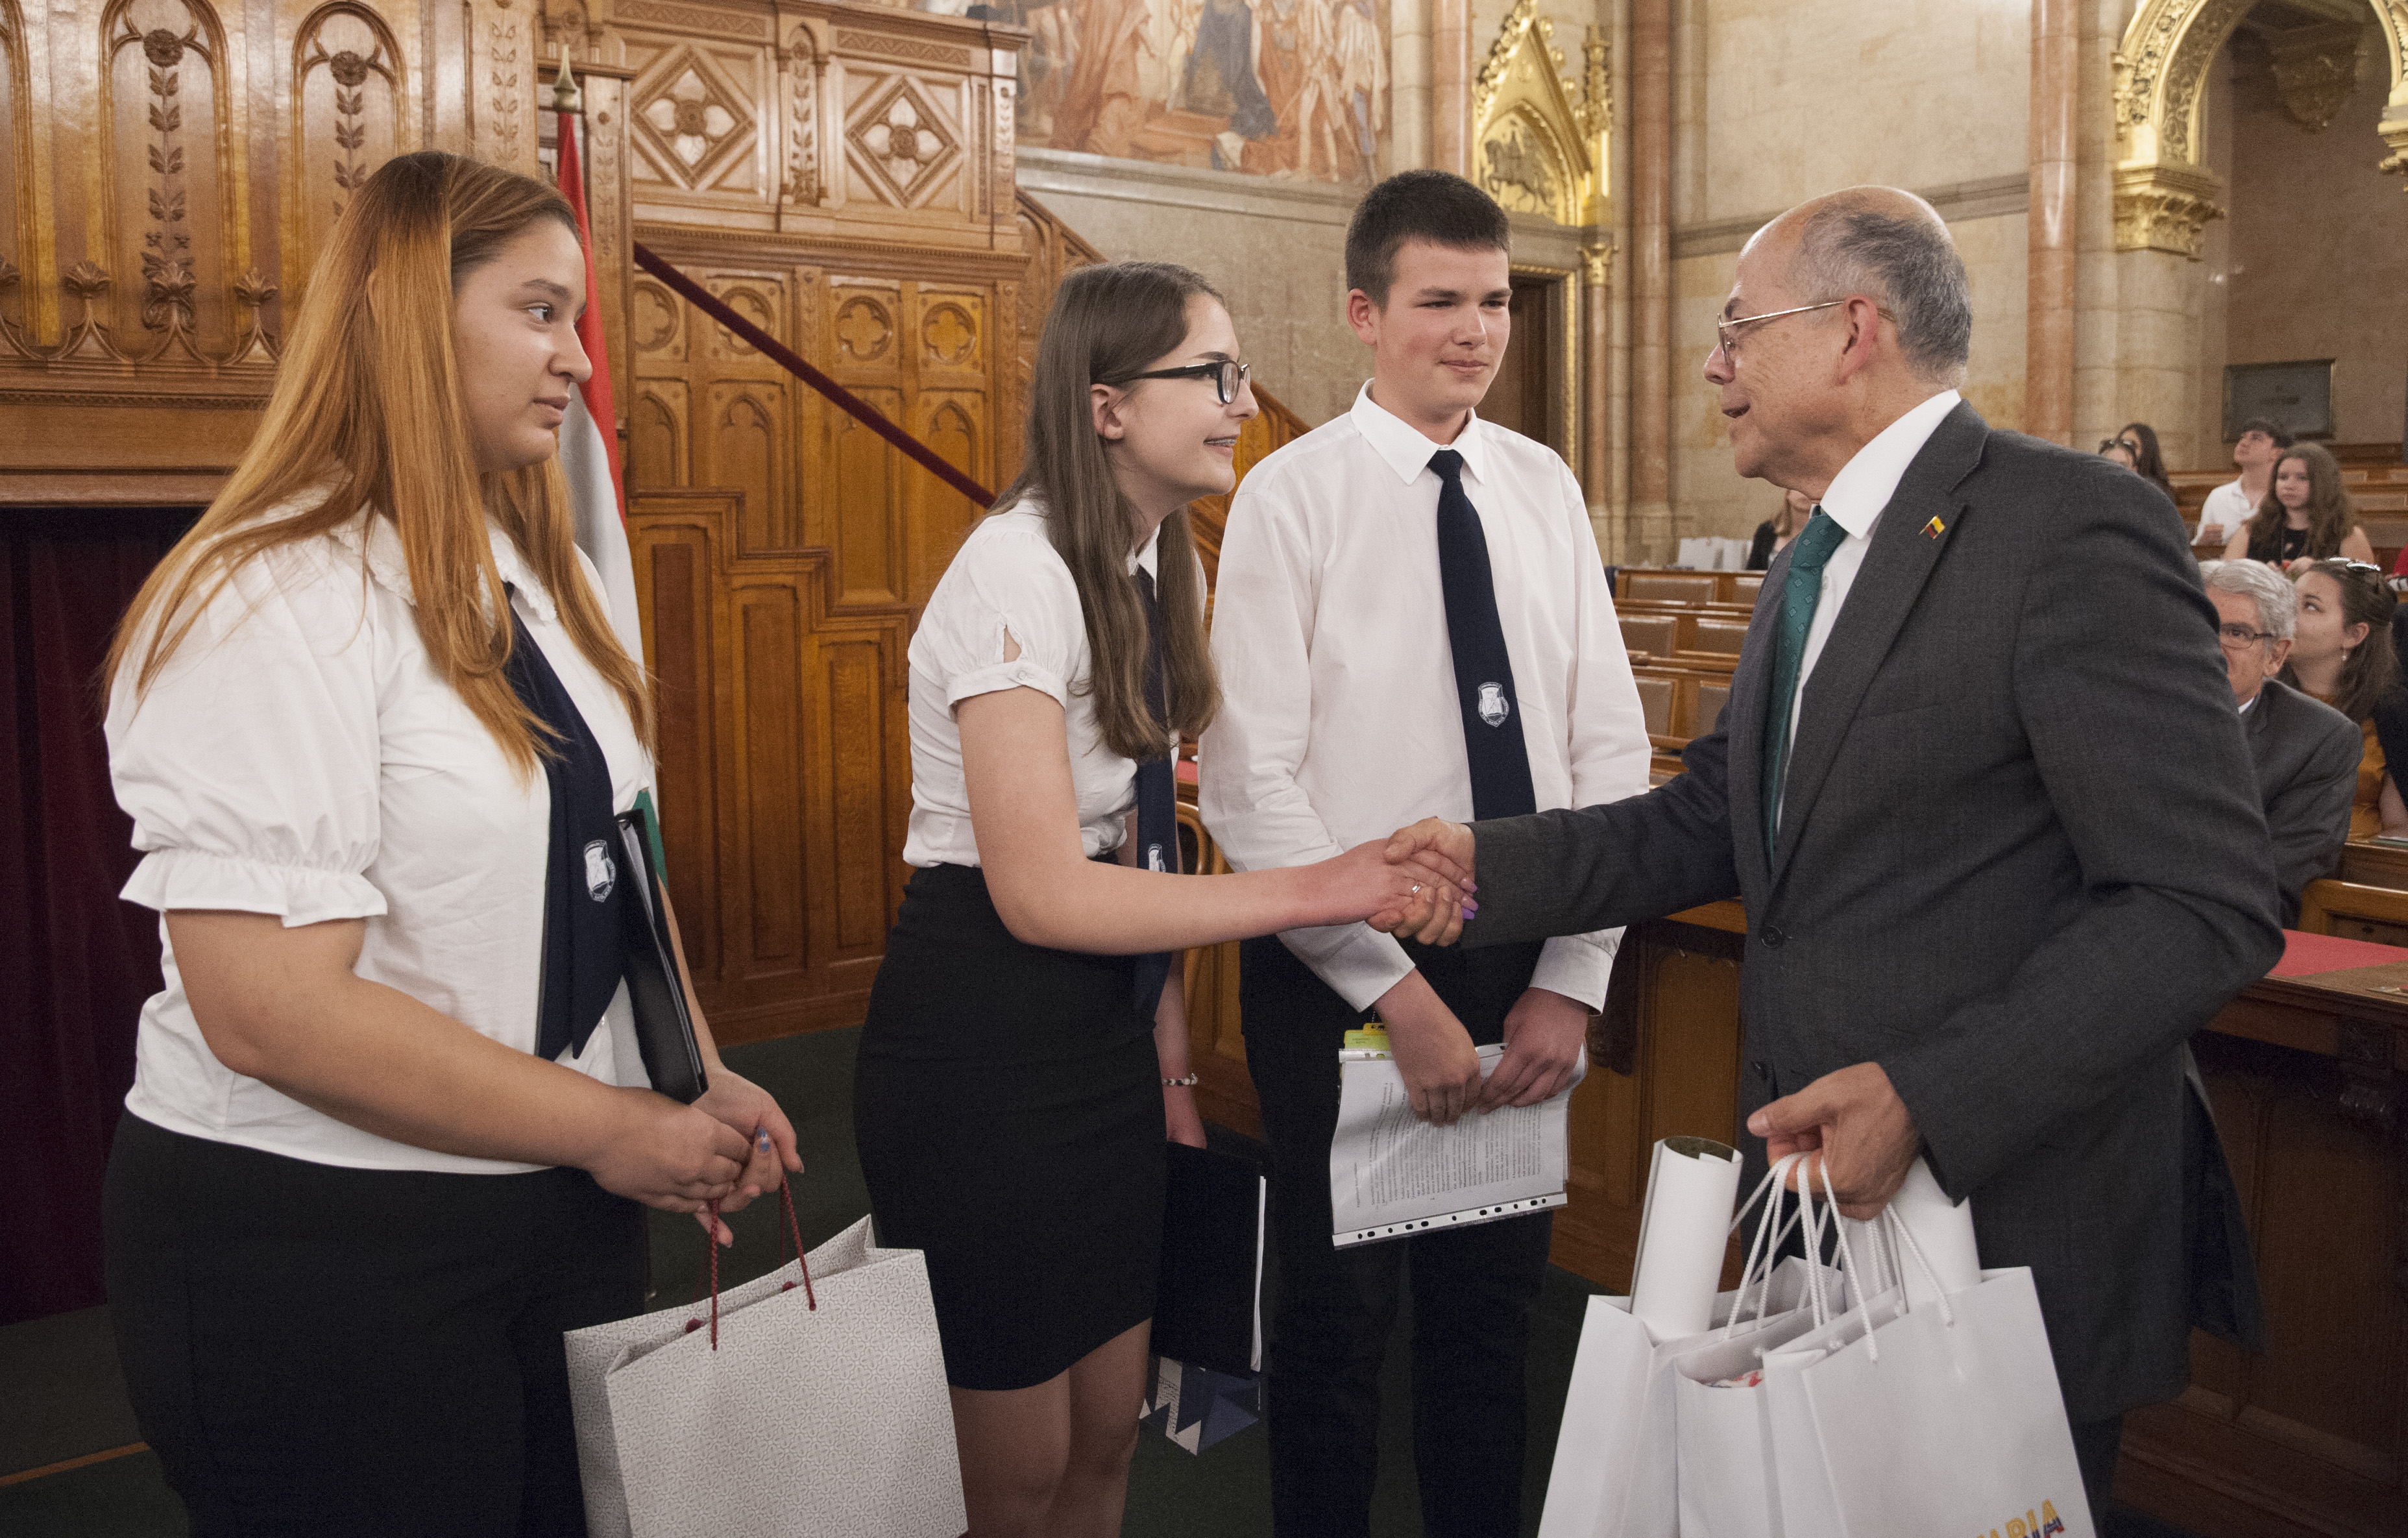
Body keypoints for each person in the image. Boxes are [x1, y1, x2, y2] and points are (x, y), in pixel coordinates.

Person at [1381, 186, 2281, 1513]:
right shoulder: (1812, 556)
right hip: (1816, 1202)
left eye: (1738, 327)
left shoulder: (2063, 526)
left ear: (1852, 329)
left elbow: (2200, 903)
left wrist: (1924, 1092)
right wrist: (1481, 863)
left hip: (2000, 1209)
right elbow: (1713, 823)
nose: (1712, 364)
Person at [98, 151, 801, 1537]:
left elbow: (612, 865)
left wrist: (691, 1075)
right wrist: (614, 1132)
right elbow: (270, 1014)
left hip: (547, 1206)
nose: (575, 360)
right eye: (539, 312)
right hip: (325, 1245)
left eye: (576, 320)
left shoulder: (527, 567)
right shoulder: (269, 594)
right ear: (415, 316)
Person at [849, 260, 1463, 1538]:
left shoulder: (1154, 562)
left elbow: (1139, 845)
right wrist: (1322, 884)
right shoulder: (1012, 572)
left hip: (1108, 1043)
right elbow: (1039, 892)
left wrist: (1173, 1080)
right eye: (1211, 374)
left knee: (1105, 1434)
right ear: (1107, 407)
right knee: (1012, 1477)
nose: (1241, 401)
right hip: (984, 1039)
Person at [1198, 170, 1651, 1538]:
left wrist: (1570, 979)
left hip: (1521, 958)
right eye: (1439, 299)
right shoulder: (1291, 495)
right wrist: (1390, 994)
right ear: (1362, 312)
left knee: (1490, 1321)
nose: (1475, 329)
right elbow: (1243, 783)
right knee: (1336, 1336)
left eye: (1496, 299)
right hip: (1337, 970)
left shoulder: (1540, 483)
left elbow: (1609, 748)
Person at [2199, 561, 2357, 922]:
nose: (2211, 646)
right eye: (2199, 626)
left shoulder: (2319, 740)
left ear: (2275, 655)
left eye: (2237, 634)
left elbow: (2275, 884)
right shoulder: (2120, 710)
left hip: (2216, 932)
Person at [2280, 558, 2408, 841]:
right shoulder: (2257, 695)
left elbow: (2401, 829)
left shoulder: (2392, 715)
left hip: (2356, 869)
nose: (2286, 615)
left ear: (2354, 634)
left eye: (2310, 606)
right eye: (2289, 601)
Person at [2224, 440, 2374, 569]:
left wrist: (2319, 572)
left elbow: (2368, 591)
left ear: (2322, 483)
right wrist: (2261, 576)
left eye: (2302, 478)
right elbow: (2226, 580)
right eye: (2283, 477)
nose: (2289, 485)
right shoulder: (2250, 531)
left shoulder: (2347, 535)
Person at [2196, 419, 2291, 551]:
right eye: (2243, 437)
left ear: (2277, 453)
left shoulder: (2286, 495)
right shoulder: (2218, 495)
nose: (2244, 443)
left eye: (2256, 438)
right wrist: (2204, 541)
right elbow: (2196, 552)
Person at [2099, 421, 2176, 505]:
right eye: (2122, 443)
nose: (2124, 449)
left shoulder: (2154, 491)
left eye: (2132, 445)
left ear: (2147, 452)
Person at [1747, 486, 1812, 570]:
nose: (1804, 493)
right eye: (1798, 487)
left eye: (1809, 488)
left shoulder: (1828, 531)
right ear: (1788, 493)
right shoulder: (1766, 530)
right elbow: (1752, 573)